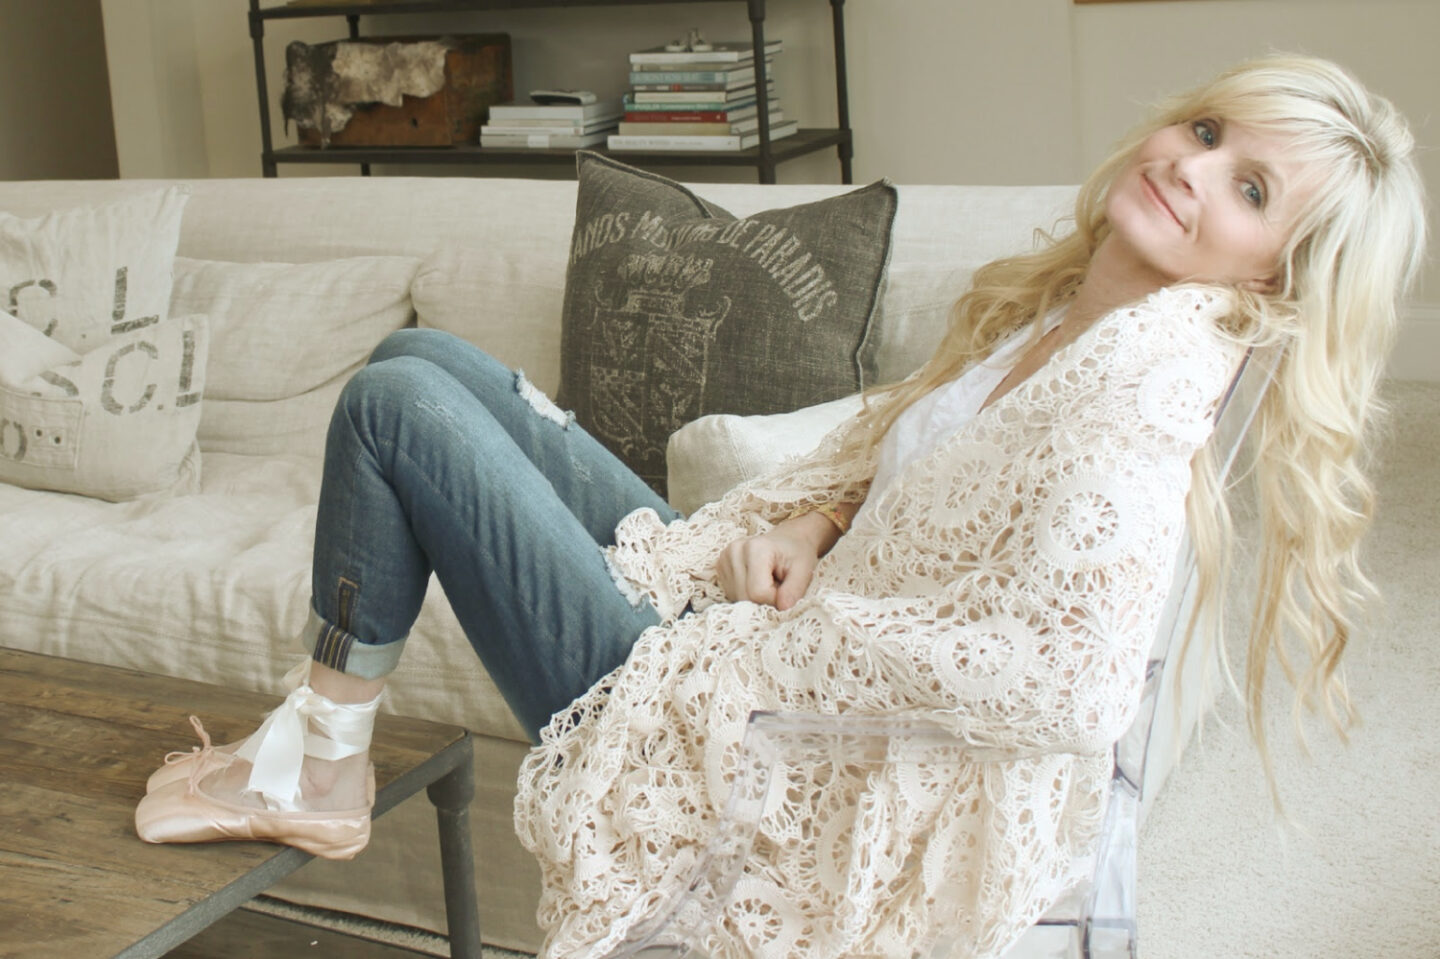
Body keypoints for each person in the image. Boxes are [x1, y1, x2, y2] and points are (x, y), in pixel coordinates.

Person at [136, 54, 1425, 959]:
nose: (1197, 173)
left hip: (751, 727)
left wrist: (783, 650)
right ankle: (322, 751)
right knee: (426, 363)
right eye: (1209, 136)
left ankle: (319, 764)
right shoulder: (1059, 315)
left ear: (1275, 270)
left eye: (1253, 191)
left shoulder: (1140, 396)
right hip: (751, 623)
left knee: (390, 412)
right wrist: (807, 527)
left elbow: (1068, 686)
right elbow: (895, 464)